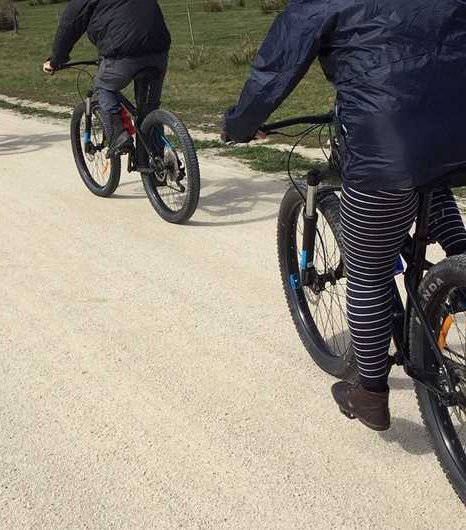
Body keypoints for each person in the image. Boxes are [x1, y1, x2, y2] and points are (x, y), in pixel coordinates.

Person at [222, 1, 466, 431]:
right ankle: (460, 275)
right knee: (434, 174)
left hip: (387, 145)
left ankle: (370, 392)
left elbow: (273, 72)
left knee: (368, 271)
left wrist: (241, 125)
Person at [42, 0, 171, 158]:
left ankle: (119, 135)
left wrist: (56, 61)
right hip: (158, 51)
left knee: (103, 87)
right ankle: (159, 166)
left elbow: (70, 24)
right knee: (149, 109)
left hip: (122, 53)